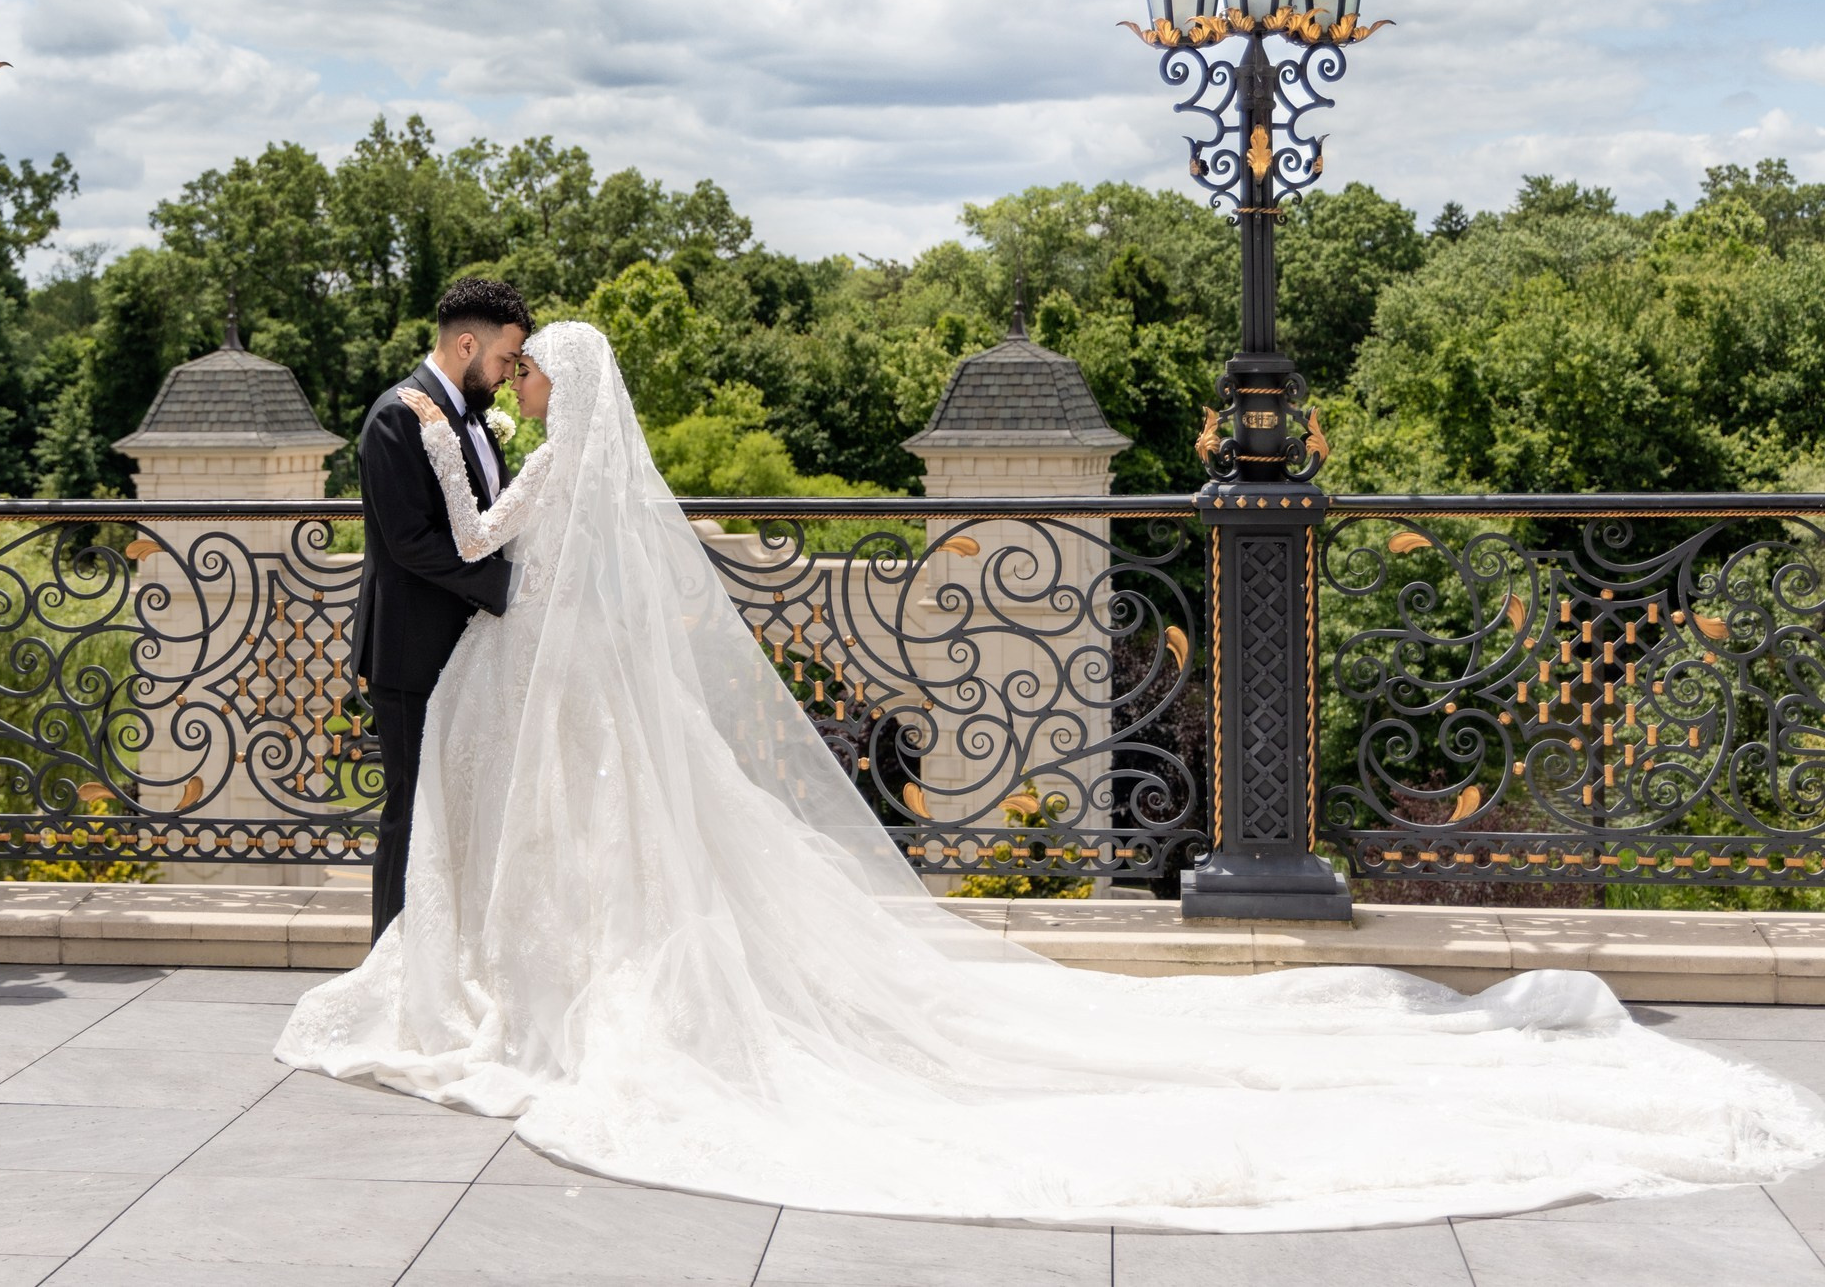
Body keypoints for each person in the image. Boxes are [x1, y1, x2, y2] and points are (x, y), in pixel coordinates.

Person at [281, 319, 1825, 1231]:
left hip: (536, 678)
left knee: (587, 838)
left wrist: (480, 524)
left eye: (533, 377)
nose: (522, 390)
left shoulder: (549, 461)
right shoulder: (569, 462)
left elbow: (479, 547)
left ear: (557, 386)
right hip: (549, 679)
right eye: (517, 373)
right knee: (616, 837)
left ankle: (534, 987)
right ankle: (541, 972)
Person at [350, 277, 530, 940]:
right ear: (466, 345)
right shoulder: (396, 417)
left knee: (457, 815)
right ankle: (388, 964)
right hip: (412, 654)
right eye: (506, 359)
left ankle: (442, 959)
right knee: (412, 812)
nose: (509, 375)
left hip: (467, 652)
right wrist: (506, 589)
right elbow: (410, 543)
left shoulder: (474, 420)